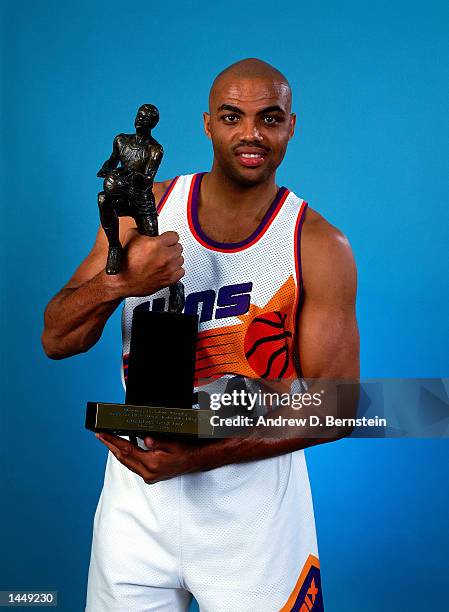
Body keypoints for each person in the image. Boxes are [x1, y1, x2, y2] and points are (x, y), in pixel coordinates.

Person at [42, 58, 359, 611]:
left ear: (291, 126)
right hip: (137, 504)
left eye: (271, 117)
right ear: (208, 124)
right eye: (233, 117)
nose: (252, 134)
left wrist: (198, 459)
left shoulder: (317, 244)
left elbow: (336, 407)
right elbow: (56, 338)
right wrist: (122, 281)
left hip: (253, 511)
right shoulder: (147, 214)